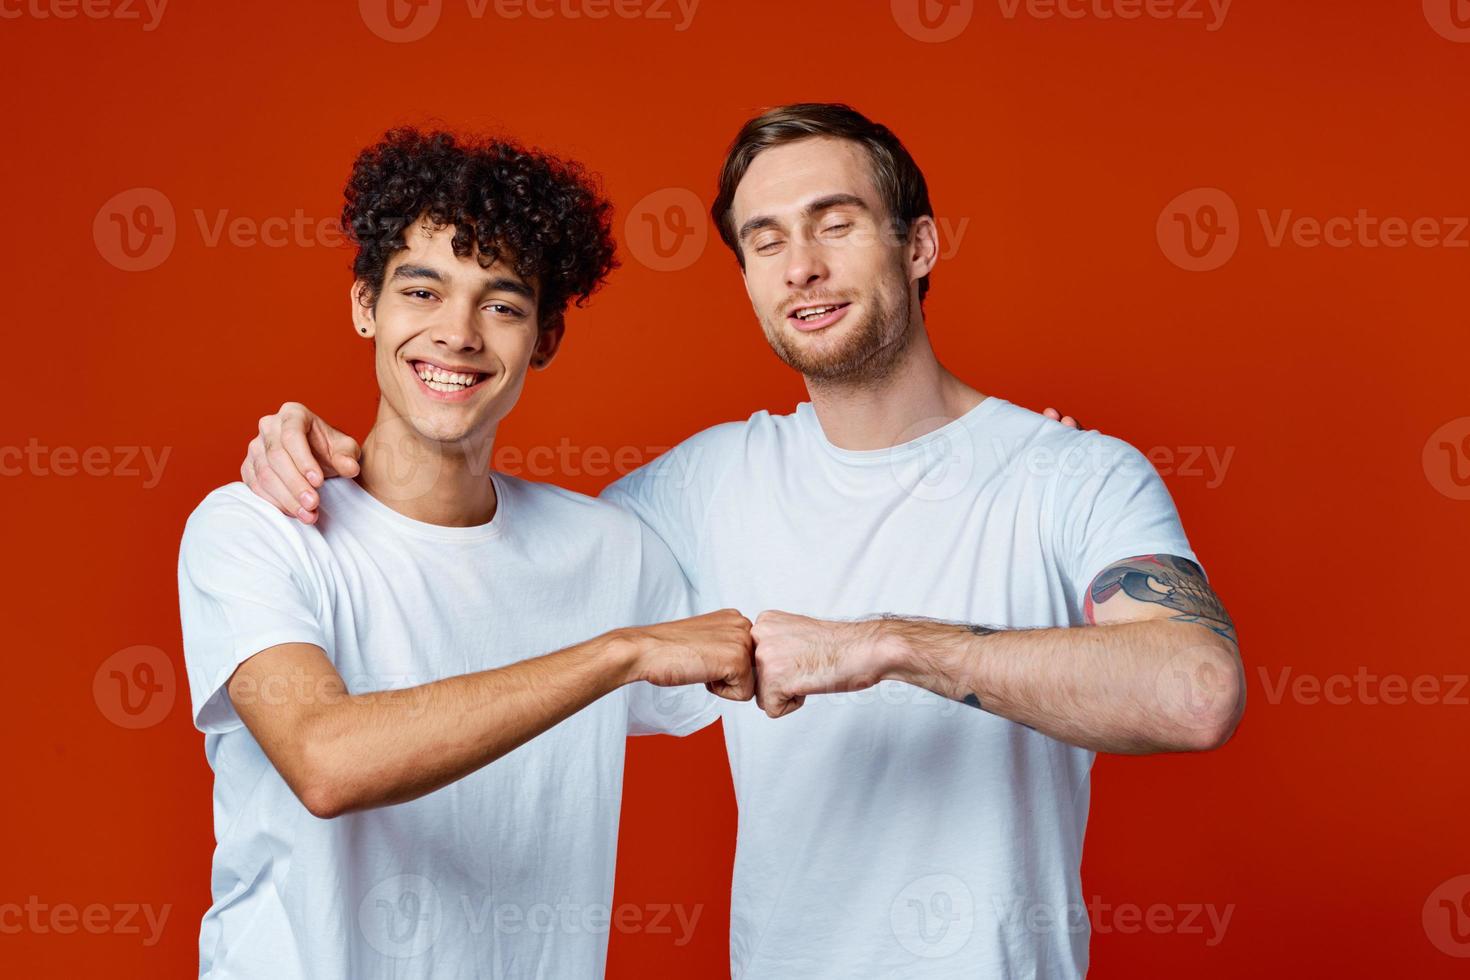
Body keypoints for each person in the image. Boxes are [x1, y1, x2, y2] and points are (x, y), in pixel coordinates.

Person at [241, 104, 1245, 978]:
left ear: (921, 245)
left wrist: (890, 643)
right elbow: (471, 564)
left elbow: (1195, 690)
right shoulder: (699, 488)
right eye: (764, 240)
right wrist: (334, 457)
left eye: (835, 224)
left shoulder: (1070, 475)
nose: (801, 265)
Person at [178, 128, 756, 980]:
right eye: (422, 290)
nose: (457, 333)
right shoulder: (255, 527)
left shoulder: (613, 553)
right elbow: (326, 762)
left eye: (502, 304)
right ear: (365, 305)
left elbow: (792, 629)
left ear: (545, 338)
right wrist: (618, 653)